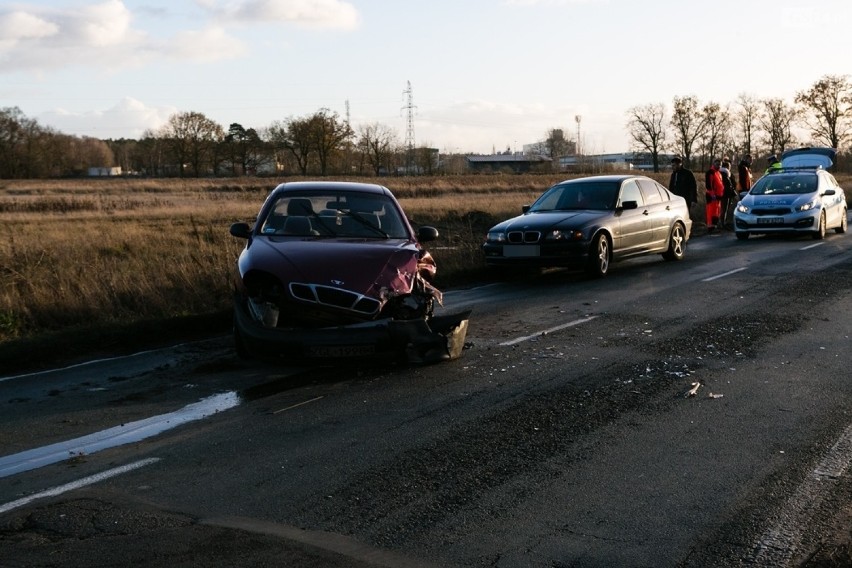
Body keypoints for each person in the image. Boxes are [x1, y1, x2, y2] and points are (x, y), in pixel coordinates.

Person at [705, 158, 725, 232]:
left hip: (718, 196)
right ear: (713, 164)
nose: (719, 166)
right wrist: (712, 194)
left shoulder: (718, 173)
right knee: (711, 212)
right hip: (712, 196)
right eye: (717, 164)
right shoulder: (711, 172)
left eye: (720, 165)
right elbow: (709, 185)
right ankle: (710, 227)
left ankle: (714, 226)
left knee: (716, 212)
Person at [719, 158, 737, 229]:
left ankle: (723, 222)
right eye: (729, 166)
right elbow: (730, 184)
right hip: (726, 194)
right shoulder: (726, 174)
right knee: (724, 209)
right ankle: (723, 223)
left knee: (723, 209)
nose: (730, 167)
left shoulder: (723, 174)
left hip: (725, 194)